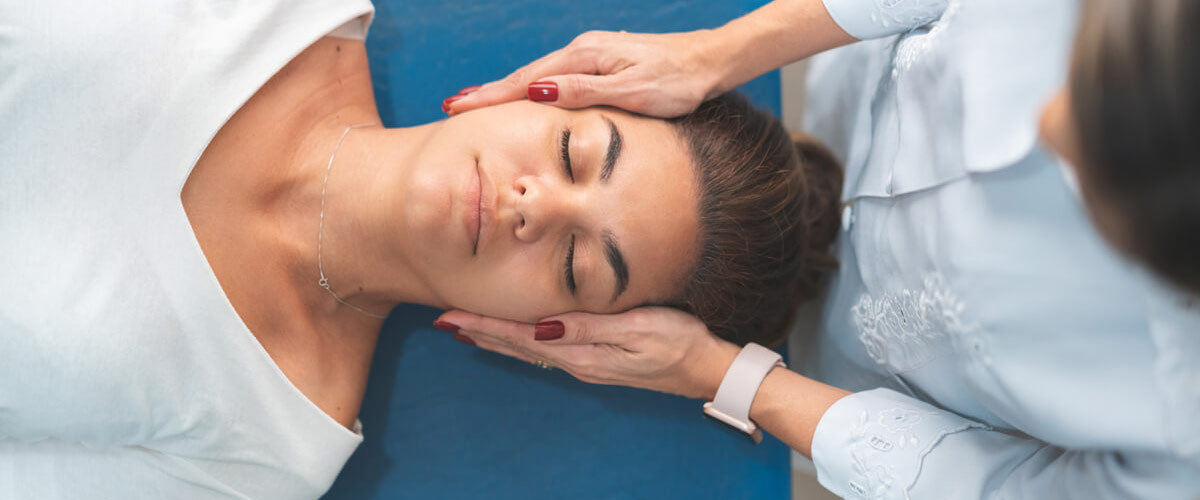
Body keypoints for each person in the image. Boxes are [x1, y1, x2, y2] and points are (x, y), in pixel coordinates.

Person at [0, 1, 842, 499]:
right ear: (558, 83)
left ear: (567, 333)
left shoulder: (267, 448)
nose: (532, 206)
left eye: (579, 264)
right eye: (572, 156)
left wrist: (722, 376)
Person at [441, 0, 1200, 498]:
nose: (1041, 128)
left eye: (1090, 165)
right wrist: (718, 53)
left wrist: (724, 376)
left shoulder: (1179, 435)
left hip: (832, 376)